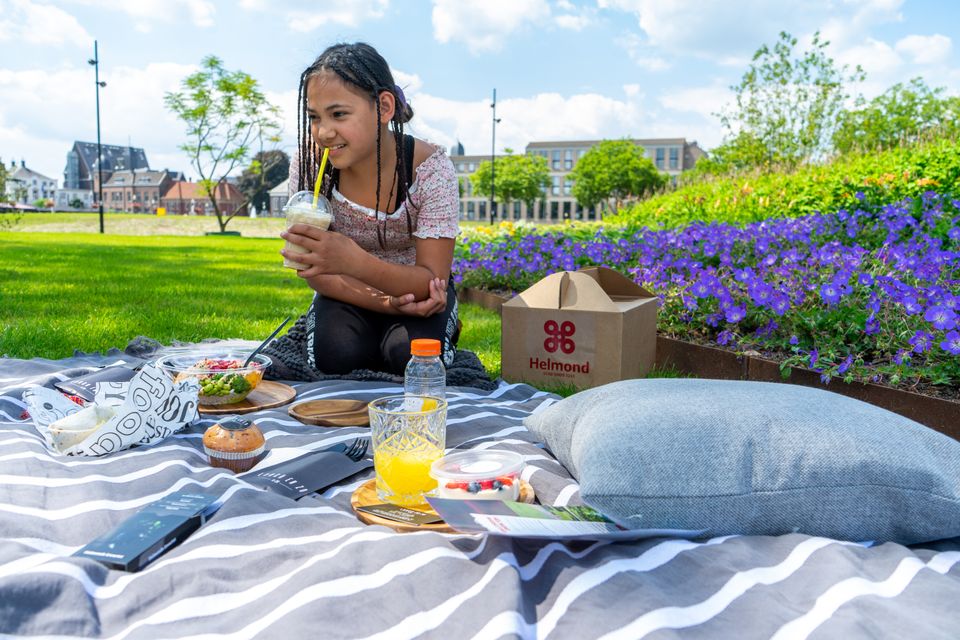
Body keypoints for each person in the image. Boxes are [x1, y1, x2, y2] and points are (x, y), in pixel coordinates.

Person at [280, 42, 460, 377]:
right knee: (334, 356)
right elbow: (317, 273)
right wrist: (384, 303)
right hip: (347, 292)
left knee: (410, 359)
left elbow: (429, 280)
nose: (323, 132)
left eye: (338, 114)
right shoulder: (308, 164)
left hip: (420, 297)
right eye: (314, 117)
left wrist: (355, 260)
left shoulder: (430, 170)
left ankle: (439, 327)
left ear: (383, 107)